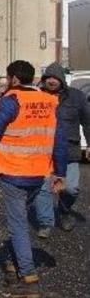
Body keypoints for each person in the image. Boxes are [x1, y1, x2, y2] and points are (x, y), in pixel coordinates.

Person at [0, 60, 67, 298]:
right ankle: (14, 262)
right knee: (20, 219)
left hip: (14, 172)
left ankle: (29, 278)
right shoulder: (50, 101)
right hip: (39, 173)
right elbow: (59, 141)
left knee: (18, 223)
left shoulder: (12, 101)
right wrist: (59, 173)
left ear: (14, 79)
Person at [32, 62, 89, 236]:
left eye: (55, 78)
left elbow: (87, 122)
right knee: (43, 188)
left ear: (62, 80)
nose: (51, 81)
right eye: (48, 77)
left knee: (71, 188)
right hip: (43, 151)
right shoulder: (37, 97)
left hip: (69, 150)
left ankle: (64, 210)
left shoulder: (77, 97)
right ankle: (45, 223)